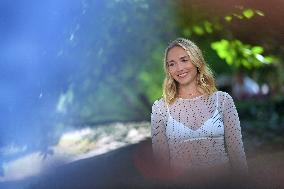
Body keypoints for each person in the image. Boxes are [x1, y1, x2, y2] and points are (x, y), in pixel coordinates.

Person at [150, 37, 248, 187]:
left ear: (197, 61)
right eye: (172, 64)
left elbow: (237, 153)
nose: (179, 68)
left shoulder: (222, 100)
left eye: (184, 60)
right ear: (168, 70)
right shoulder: (160, 108)